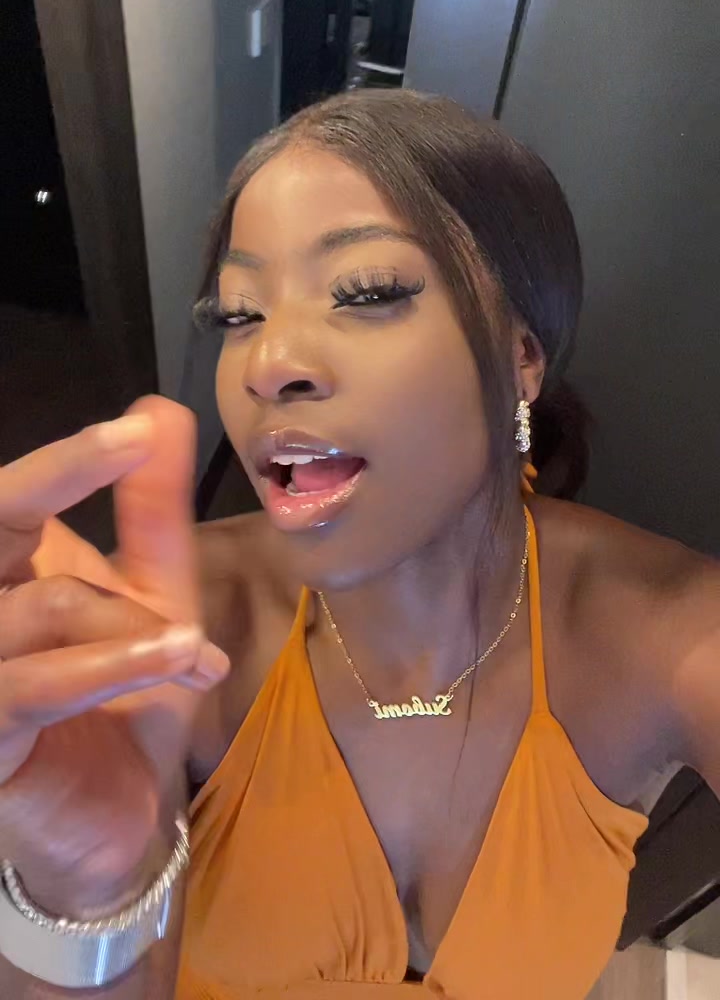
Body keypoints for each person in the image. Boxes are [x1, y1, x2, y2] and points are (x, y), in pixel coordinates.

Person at [0, 90, 717, 1000]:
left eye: (367, 293)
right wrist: (90, 887)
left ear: (521, 356)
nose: (267, 364)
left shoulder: (667, 632)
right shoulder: (165, 644)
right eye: (240, 315)